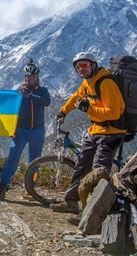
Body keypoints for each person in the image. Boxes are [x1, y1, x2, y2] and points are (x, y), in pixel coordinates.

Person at [50, 52, 126, 213]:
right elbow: (75, 98)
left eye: (84, 65)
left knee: (98, 172)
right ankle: (71, 202)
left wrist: (90, 108)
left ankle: (95, 212)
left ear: (93, 65)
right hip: (96, 130)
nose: (81, 69)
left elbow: (114, 113)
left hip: (112, 132)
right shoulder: (87, 83)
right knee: (81, 166)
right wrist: (63, 112)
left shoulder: (106, 83)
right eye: (78, 67)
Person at [0, 58, 51, 201]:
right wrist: (10, 129)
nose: (30, 78)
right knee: (13, 157)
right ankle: (3, 185)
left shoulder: (43, 91)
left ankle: (30, 188)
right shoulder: (19, 92)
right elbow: (10, 110)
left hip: (37, 130)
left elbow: (46, 102)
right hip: (20, 130)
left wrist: (31, 96)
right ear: (24, 77)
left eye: (33, 76)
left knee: (34, 160)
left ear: (37, 76)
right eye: (28, 76)